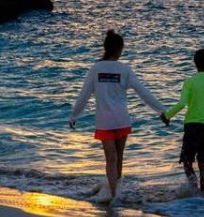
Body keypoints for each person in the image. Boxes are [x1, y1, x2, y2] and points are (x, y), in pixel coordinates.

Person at [69, 30, 168, 203]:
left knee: (112, 158)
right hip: (120, 120)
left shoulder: (96, 69)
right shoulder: (123, 69)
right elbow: (144, 92)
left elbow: (83, 95)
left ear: (106, 48)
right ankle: (116, 194)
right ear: (119, 49)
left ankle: (114, 194)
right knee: (117, 157)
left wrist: (74, 116)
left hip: (106, 121)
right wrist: (162, 111)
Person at [163, 48, 204, 194]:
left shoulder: (189, 81)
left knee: (187, 163)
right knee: (203, 165)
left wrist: (167, 115)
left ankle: (193, 190)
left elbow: (182, 104)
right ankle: (203, 196)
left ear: (194, 63)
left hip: (191, 127)